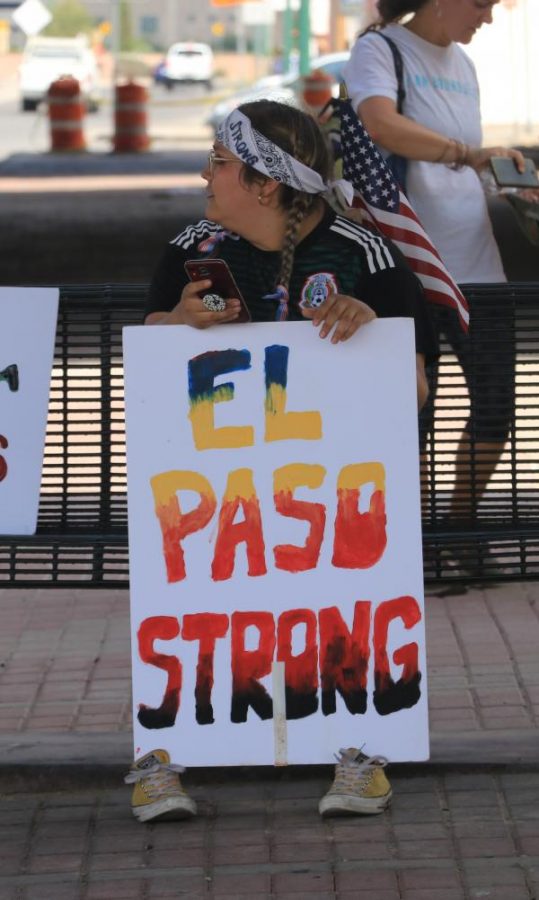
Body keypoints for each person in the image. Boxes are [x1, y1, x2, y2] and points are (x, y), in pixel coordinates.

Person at [126, 99, 438, 823]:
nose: (204, 175)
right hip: (216, 497)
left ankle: (363, 750)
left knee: (342, 603)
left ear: (264, 184)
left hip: (323, 500)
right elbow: (148, 346)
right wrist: (177, 323)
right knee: (193, 610)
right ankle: (165, 756)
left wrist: (371, 330)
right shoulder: (192, 247)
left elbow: (416, 383)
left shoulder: (365, 255)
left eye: (219, 162)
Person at [343, 0, 526, 550]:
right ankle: (415, 544)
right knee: (411, 409)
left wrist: (509, 185)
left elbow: (463, 167)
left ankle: (458, 531)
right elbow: (380, 123)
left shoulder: (465, 65)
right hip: (407, 264)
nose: (487, 18)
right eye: (480, 4)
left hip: (477, 262)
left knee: (496, 405)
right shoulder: (381, 49)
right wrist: (468, 154)